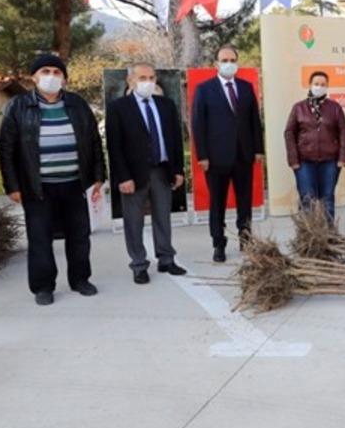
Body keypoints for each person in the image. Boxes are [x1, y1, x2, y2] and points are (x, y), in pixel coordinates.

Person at [0, 53, 105, 305]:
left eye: (57, 72)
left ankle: (80, 279)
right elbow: (6, 149)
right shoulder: (18, 106)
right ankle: (43, 286)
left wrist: (99, 177)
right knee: (40, 238)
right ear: (34, 77)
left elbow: (94, 142)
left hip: (75, 184)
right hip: (37, 187)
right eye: (45, 71)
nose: (51, 77)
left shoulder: (77, 104)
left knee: (79, 236)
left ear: (64, 79)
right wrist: (12, 186)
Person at [106, 62, 187, 285]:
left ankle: (166, 259)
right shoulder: (118, 108)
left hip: (162, 170)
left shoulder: (166, 105)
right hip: (133, 174)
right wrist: (123, 177)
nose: (148, 82)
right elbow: (115, 146)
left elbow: (174, 140)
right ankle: (139, 264)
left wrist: (178, 169)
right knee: (134, 221)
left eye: (152, 78)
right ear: (130, 81)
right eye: (143, 78)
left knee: (163, 217)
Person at [191, 45, 264, 263]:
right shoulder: (205, 89)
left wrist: (258, 149)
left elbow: (254, 121)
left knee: (245, 201)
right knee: (217, 203)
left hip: (243, 155)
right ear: (216, 64)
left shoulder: (246, 87)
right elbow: (198, 124)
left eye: (232, 59)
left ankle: (245, 237)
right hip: (216, 158)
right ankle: (218, 243)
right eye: (224, 60)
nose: (229, 64)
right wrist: (202, 155)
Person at [284, 70, 345, 221]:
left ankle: (328, 235)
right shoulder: (298, 108)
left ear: (327, 87)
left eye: (323, 84)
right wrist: (293, 160)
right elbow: (289, 133)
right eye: (316, 84)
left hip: (330, 161)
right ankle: (308, 235)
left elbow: (344, 133)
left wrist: (342, 158)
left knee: (327, 198)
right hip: (304, 161)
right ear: (310, 85)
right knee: (307, 198)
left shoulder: (335, 108)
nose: (319, 87)